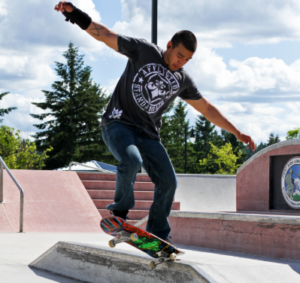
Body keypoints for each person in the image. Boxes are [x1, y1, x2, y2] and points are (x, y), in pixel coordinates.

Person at [55, 2, 257, 241]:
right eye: (179, 55)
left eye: (187, 60)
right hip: (118, 125)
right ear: (169, 46)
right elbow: (105, 35)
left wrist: (236, 131)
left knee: (169, 182)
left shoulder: (182, 80)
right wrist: (75, 14)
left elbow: (207, 108)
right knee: (131, 160)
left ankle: (158, 234)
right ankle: (120, 213)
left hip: (148, 135)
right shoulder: (143, 50)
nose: (180, 62)